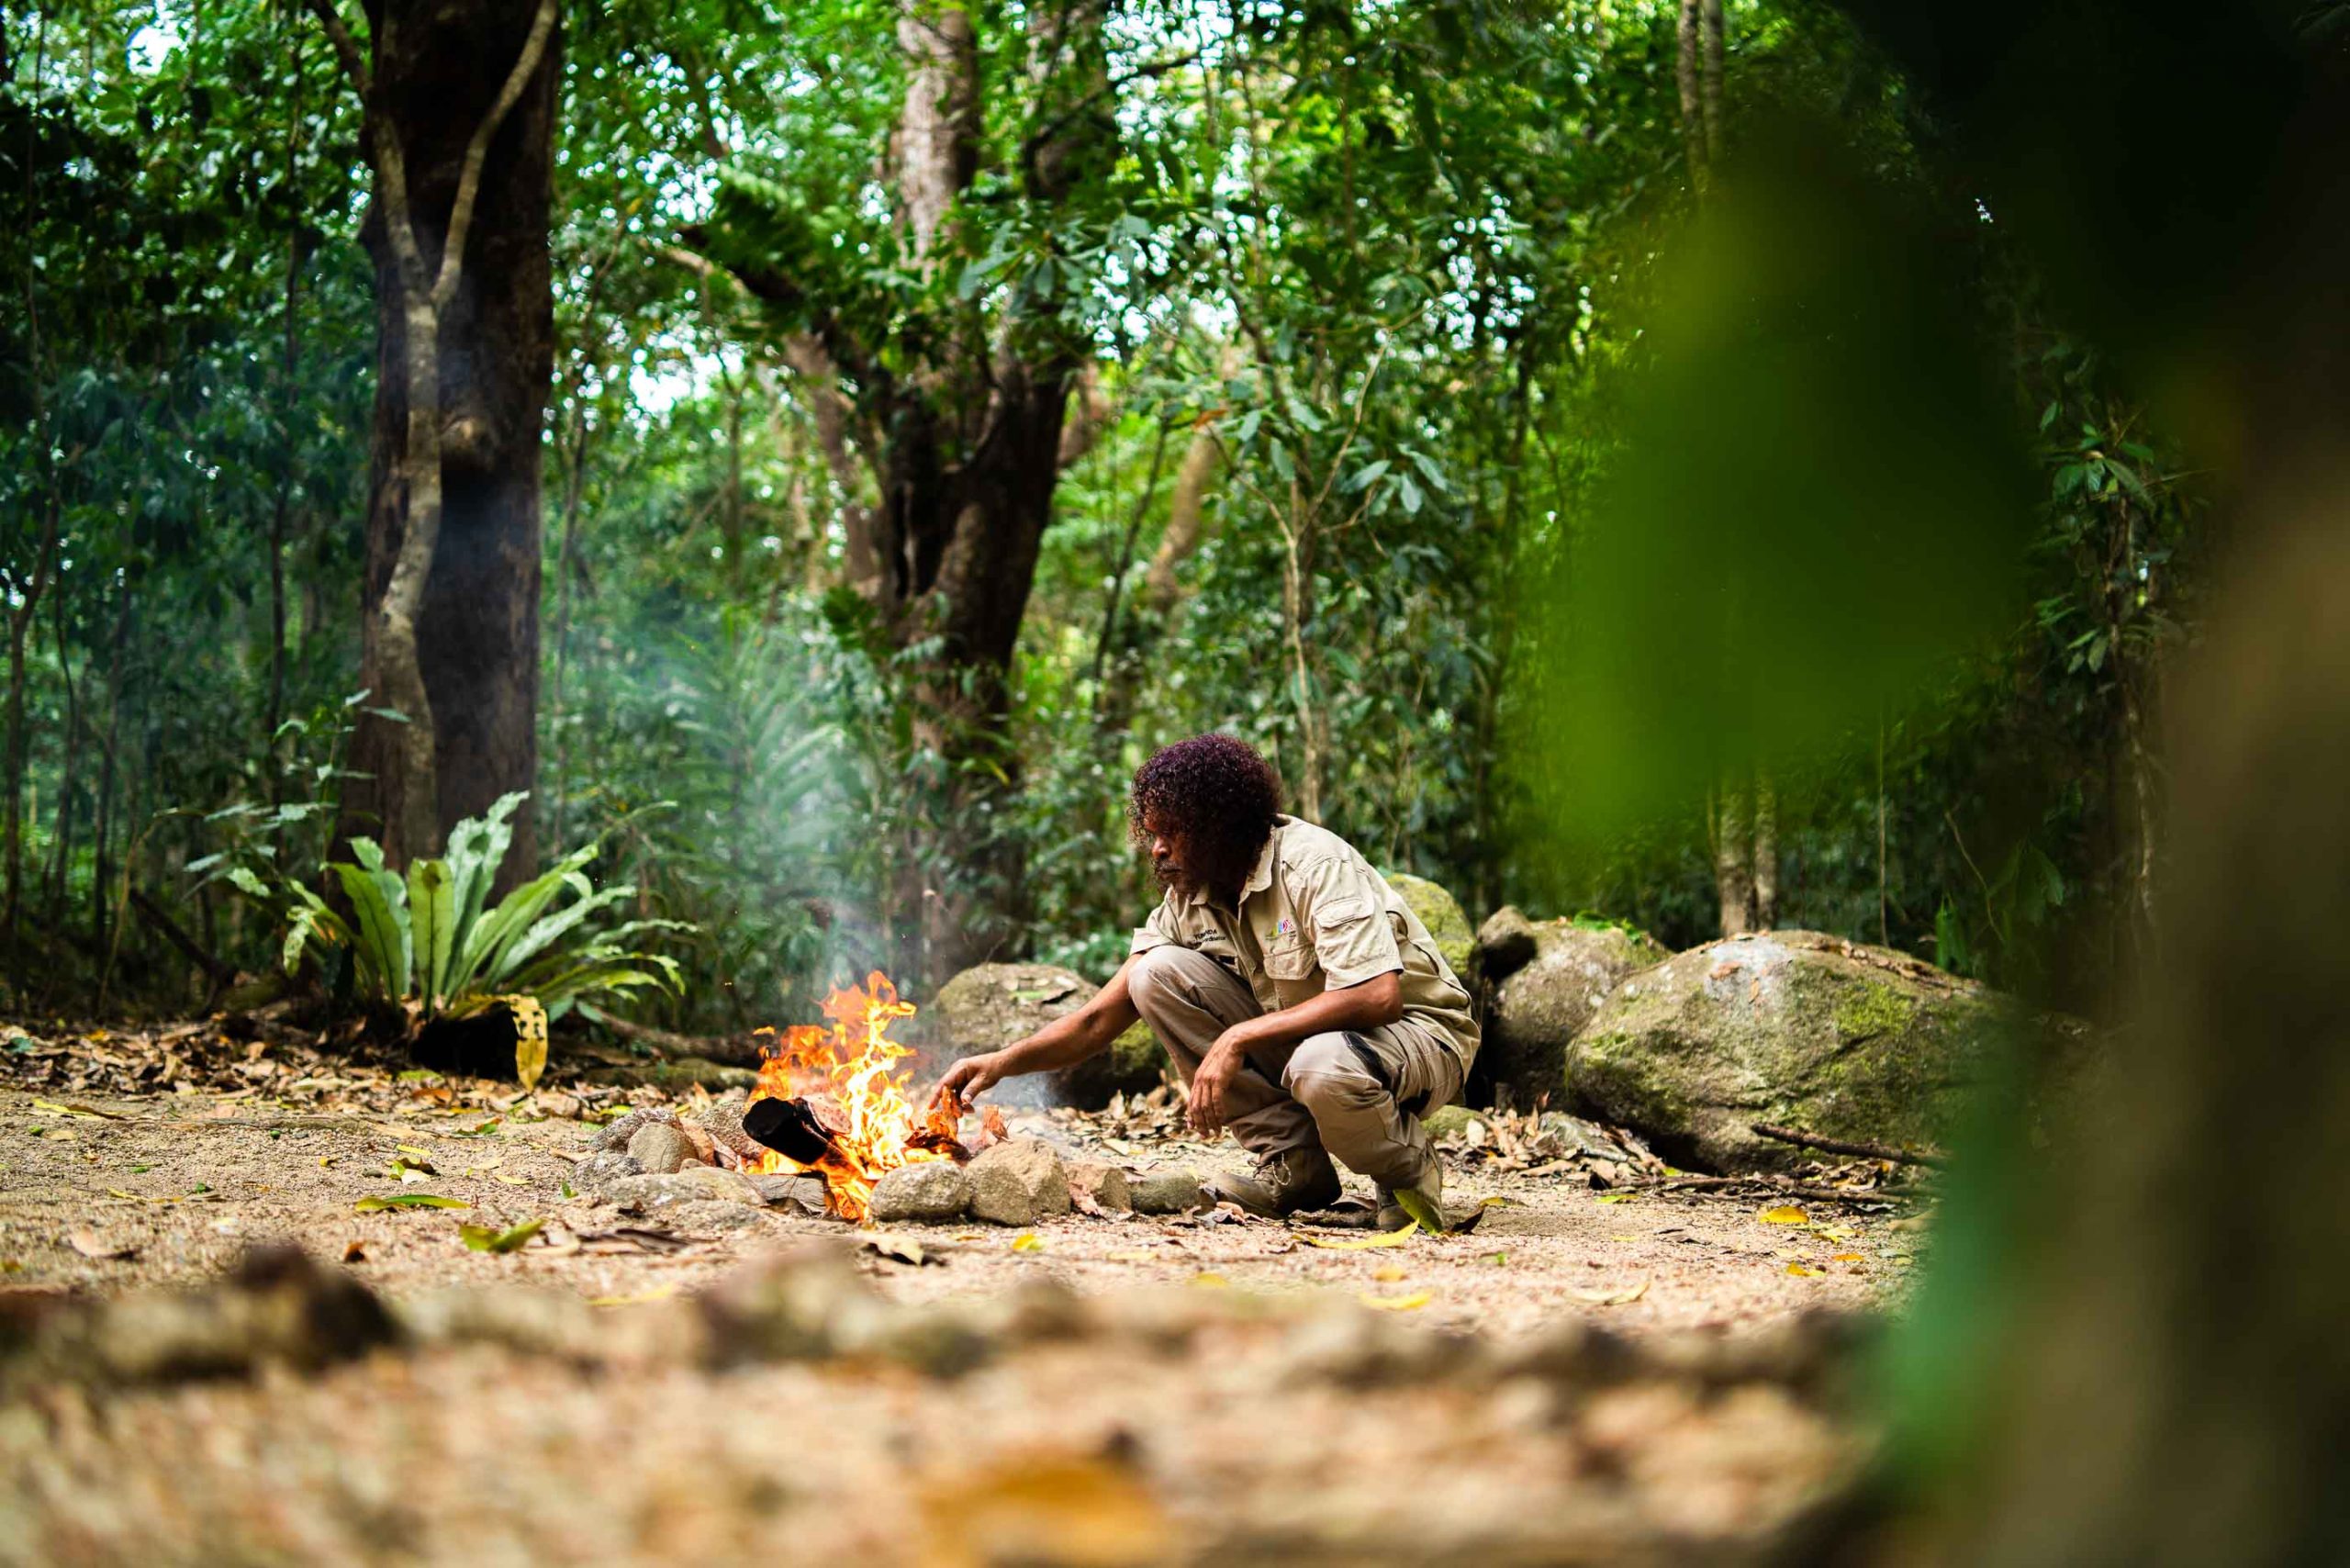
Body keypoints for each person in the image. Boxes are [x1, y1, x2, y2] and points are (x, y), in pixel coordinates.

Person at [934, 734, 1479, 1226]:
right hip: (1325, 1042)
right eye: (1152, 833)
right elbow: (1099, 1018)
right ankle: (1295, 1166)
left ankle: (1407, 1175)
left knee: (1322, 1065)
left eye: (1173, 832)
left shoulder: (1312, 865)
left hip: (1422, 1035)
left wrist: (1237, 1037)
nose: (1157, 848)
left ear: (1223, 826)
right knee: (1154, 974)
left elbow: (1375, 995)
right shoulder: (1189, 900)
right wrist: (1002, 1061)